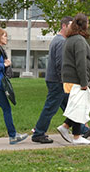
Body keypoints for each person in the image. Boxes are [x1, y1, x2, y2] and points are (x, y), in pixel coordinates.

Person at [31, 16, 74, 144]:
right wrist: (64, 79)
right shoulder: (61, 42)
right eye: (71, 26)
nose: (73, 29)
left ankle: (81, 129)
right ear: (64, 26)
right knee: (50, 108)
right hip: (58, 81)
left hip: (56, 80)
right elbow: (60, 63)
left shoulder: (58, 40)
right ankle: (38, 133)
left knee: (70, 105)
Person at [60, 13, 90, 145]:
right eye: (88, 22)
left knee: (78, 105)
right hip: (76, 80)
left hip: (70, 79)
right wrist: (84, 82)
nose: (89, 25)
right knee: (79, 107)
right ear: (83, 25)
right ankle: (76, 136)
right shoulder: (79, 40)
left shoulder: (70, 38)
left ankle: (65, 127)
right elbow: (81, 63)